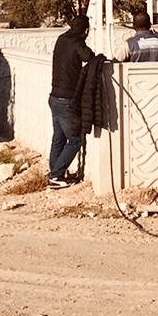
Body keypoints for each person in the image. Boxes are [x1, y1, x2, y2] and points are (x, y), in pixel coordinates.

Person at [47, 14, 95, 188]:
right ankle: (55, 175)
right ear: (86, 30)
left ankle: (54, 172)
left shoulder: (61, 39)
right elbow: (88, 56)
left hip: (54, 97)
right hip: (67, 99)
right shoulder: (77, 42)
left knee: (58, 138)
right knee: (75, 140)